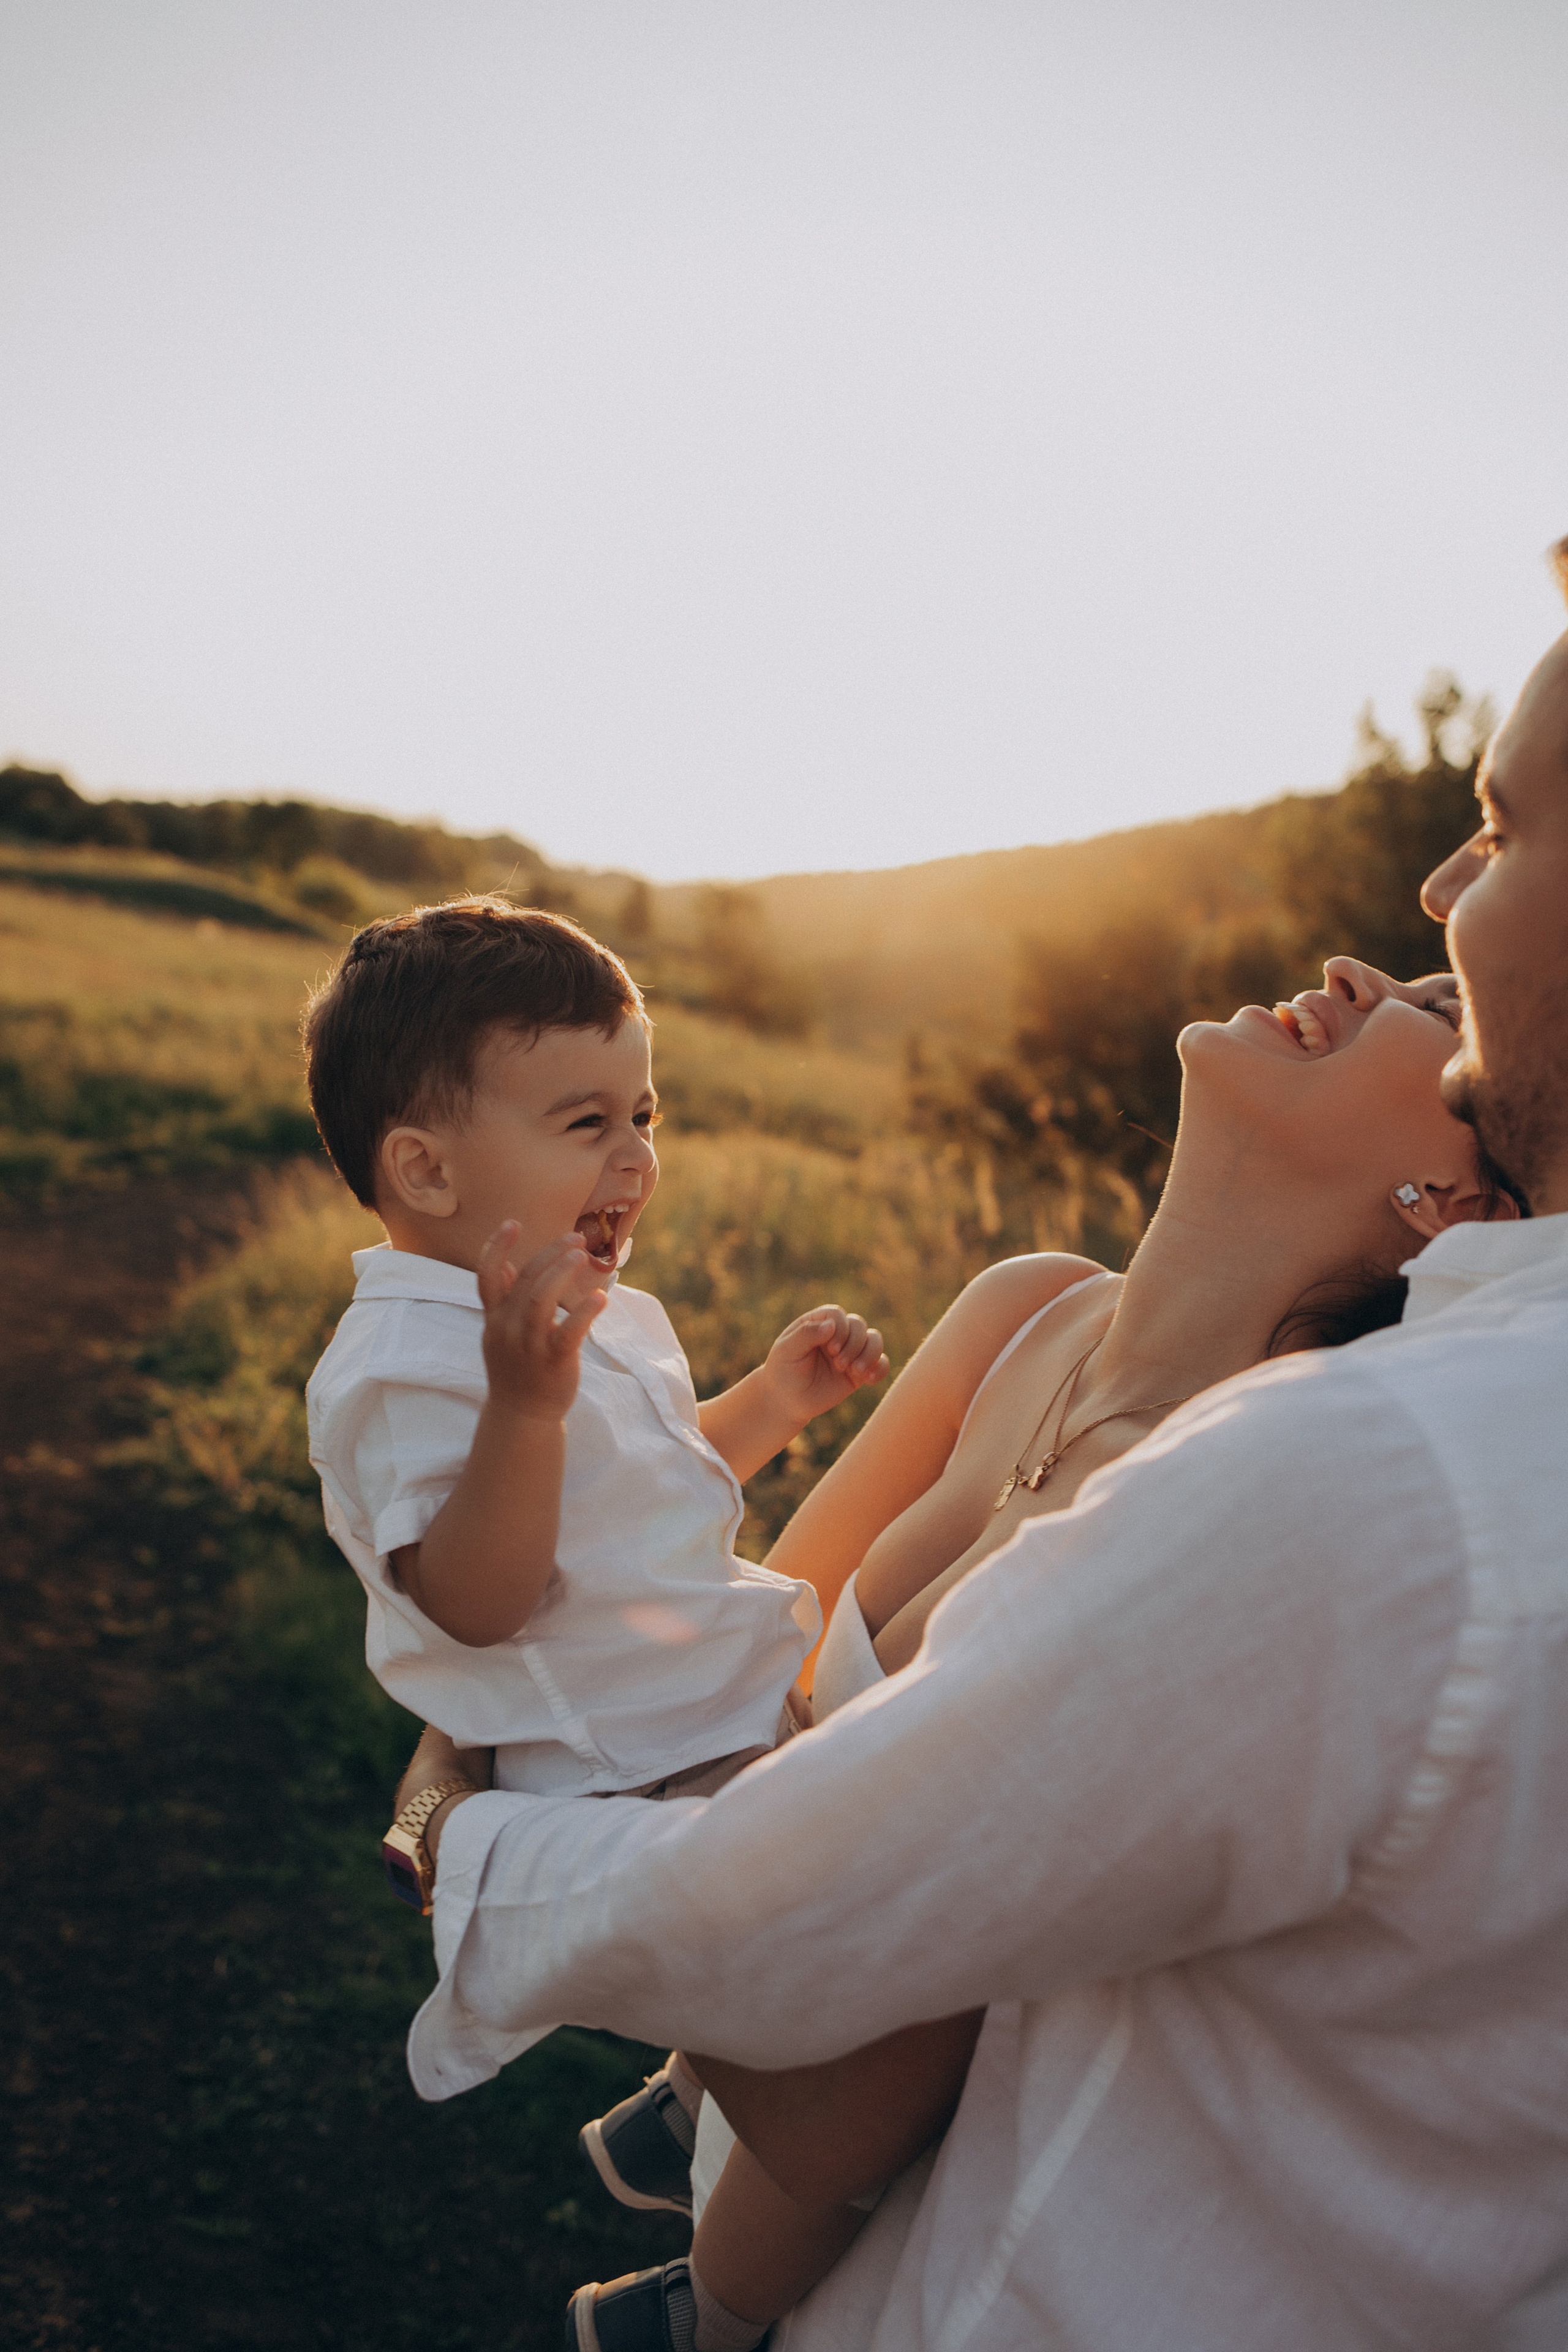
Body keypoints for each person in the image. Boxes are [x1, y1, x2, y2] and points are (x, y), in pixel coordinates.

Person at [399, 556, 1568, 2350]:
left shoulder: (1317, 1488)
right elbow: (737, 1644)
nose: (1397, 927)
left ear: (1444, 1183)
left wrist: (469, 1811)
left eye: (1499, 834)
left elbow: (834, 2031)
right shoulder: (1049, 1323)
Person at [301, 899, 886, 2029]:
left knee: (860, 1923)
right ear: (426, 1172)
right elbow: (473, 1603)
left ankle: (702, 2099)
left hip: (717, 1706)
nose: (638, 1159)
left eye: (645, 1115)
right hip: (639, 1769)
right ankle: (729, 2104)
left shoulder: (585, 1307)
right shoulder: (405, 1367)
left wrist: (775, 1399)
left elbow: (646, 1487)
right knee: (836, 1961)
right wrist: (522, 1406)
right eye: (587, 1124)